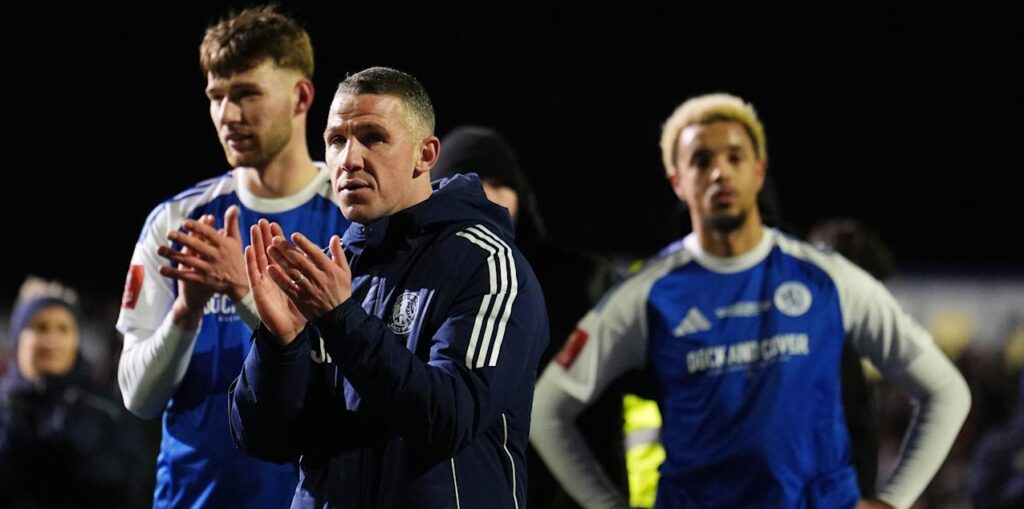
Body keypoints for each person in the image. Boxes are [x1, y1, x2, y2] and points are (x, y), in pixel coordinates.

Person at [530, 93, 971, 509]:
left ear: (758, 171)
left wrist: (894, 500)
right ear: (677, 182)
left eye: (734, 157)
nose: (720, 172)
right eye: (701, 160)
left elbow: (947, 391)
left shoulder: (828, 278)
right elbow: (546, 409)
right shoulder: (645, 294)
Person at [228, 66, 549, 508]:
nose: (349, 159)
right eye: (337, 141)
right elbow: (263, 440)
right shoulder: (328, 273)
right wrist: (280, 346)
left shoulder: (488, 263)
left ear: (426, 154)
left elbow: (447, 420)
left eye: (373, 138)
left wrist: (342, 320)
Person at [115, 6, 350, 507]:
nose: (227, 115)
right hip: (190, 498)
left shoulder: (351, 218)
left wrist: (243, 288)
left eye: (246, 94)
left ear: (301, 97)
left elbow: (358, 383)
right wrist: (186, 311)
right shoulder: (177, 221)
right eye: (216, 98)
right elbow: (138, 398)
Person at [431, 125, 625, 509]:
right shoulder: (419, 291)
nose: (485, 196)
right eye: (466, 183)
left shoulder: (583, 280)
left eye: (497, 182)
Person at [2, 276, 148, 507]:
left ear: (77, 340)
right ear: (18, 339)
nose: (51, 340)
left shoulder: (105, 408)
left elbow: (129, 486)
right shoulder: (4, 407)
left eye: (63, 329)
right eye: (40, 327)